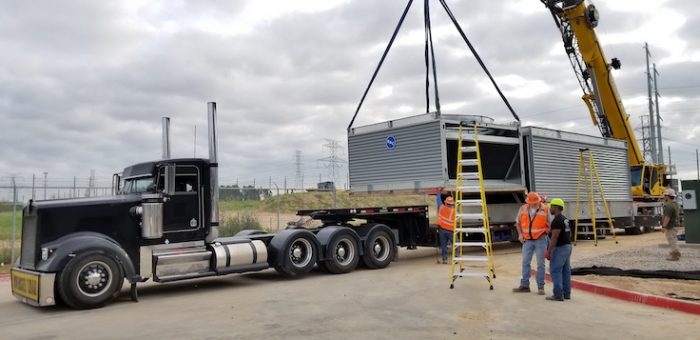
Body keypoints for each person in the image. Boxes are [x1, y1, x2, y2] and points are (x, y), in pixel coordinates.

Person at [513, 191, 550, 295]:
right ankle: (524, 285)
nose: (534, 204)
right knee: (525, 262)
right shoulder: (523, 208)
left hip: (540, 239)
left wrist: (545, 232)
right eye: (531, 203)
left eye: (535, 202)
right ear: (528, 202)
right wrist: (520, 234)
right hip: (527, 240)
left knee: (540, 264)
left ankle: (540, 287)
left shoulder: (545, 209)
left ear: (538, 201)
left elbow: (551, 224)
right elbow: (517, 223)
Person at [544, 198, 572, 301]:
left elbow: (554, 238)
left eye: (551, 206)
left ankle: (558, 295)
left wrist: (548, 251)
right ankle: (566, 293)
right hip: (568, 246)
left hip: (560, 248)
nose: (550, 208)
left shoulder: (556, 220)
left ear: (556, 207)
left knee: (555, 270)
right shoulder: (565, 219)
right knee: (565, 271)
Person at [662, 188, 681, 261]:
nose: (664, 196)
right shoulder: (675, 204)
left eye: (665, 195)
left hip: (670, 226)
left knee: (671, 240)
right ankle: (677, 253)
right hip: (674, 225)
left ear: (667, 196)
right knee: (674, 239)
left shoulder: (669, 206)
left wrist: (664, 226)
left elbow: (667, 217)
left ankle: (675, 255)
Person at [436, 192, 456, 264]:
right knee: (455, 244)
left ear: (446, 203)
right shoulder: (454, 211)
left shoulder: (441, 207)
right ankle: (456, 259)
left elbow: (438, 201)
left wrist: (438, 193)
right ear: (452, 204)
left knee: (443, 245)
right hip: (451, 231)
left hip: (442, 230)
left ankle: (445, 259)